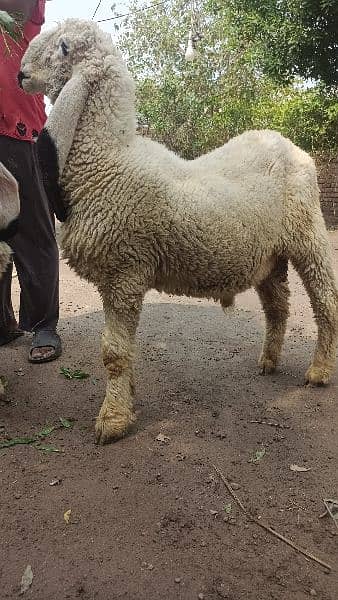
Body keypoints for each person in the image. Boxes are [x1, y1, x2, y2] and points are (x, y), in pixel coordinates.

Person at [0, 0, 61, 362]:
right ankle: (3, 324)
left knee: (34, 234)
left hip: (21, 133)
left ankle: (43, 325)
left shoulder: (21, 10)